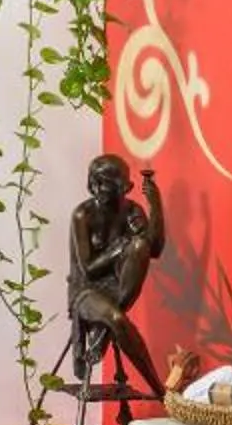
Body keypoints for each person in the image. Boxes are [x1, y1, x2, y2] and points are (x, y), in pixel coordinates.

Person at [68, 155, 165, 400]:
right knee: (116, 319)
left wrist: (156, 207)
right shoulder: (83, 215)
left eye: (106, 184)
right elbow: (88, 269)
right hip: (87, 291)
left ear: (126, 187)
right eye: (95, 182)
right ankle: (160, 391)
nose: (98, 189)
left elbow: (154, 250)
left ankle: (106, 332)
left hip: (119, 287)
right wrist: (119, 247)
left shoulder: (133, 210)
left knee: (140, 245)